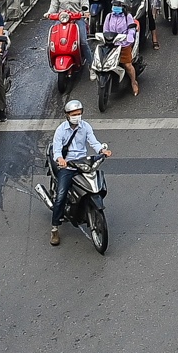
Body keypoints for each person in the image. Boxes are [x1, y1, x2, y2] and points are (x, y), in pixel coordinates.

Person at [48, 101, 111, 246]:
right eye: (74, 114)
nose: (77, 117)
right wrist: (60, 159)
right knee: (61, 196)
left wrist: (102, 150)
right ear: (67, 115)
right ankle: (55, 228)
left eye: (79, 114)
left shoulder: (85, 127)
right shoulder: (61, 130)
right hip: (67, 166)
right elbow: (57, 150)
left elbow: (93, 142)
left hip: (83, 163)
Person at [98, 0, 141, 95]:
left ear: (123, 7)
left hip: (123, 44)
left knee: (127, 65)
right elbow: (105, 30)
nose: (115, 7)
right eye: (114, 5)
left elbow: (131, 29)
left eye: (118, 6)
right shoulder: (109, 16)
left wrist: (129, 37)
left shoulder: (127, 17)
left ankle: (134, 82)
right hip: (111, 44)